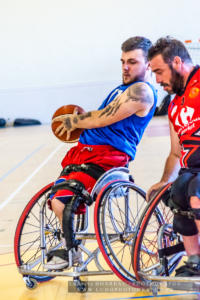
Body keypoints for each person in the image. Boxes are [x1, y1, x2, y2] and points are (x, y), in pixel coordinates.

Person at [47, 36, 157, 270]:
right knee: (58, 196)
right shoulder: (123, 88)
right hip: (85, 153)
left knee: (61, 199)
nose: (126, 67)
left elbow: (105, 117)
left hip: (107, 158)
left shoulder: (141, 91)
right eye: (123, 61)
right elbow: (104, 117)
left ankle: (70, 249)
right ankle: (70, 244)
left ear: (148, 65)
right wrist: (86, 120)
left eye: (133, 62)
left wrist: (74, 119)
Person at [147, 36, 200, 276]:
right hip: (192, 169)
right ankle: (194, 261)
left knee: (196, 192)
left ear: (177, 62)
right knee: (177, 192)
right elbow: (175, 151)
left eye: (159, 72)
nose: (157, 80)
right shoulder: (173, 105)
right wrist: (164, 180)